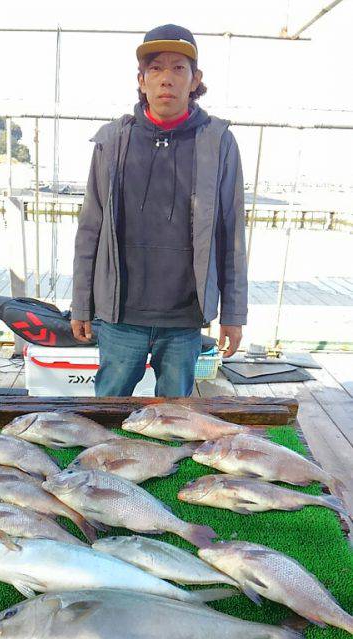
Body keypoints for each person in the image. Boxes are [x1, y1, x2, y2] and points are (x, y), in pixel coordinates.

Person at [71, 23, 248, 397]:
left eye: (178, 68)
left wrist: (233, 315)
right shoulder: (112, 141)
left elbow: (232, 234)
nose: (166, 78)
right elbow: (90, 228)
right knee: (108, 411)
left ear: (195, 79)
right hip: (120, 316)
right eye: (156, 68)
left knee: (175, 419)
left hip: (185, 317)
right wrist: (80, 304)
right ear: (141, 80)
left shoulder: (219, 143)